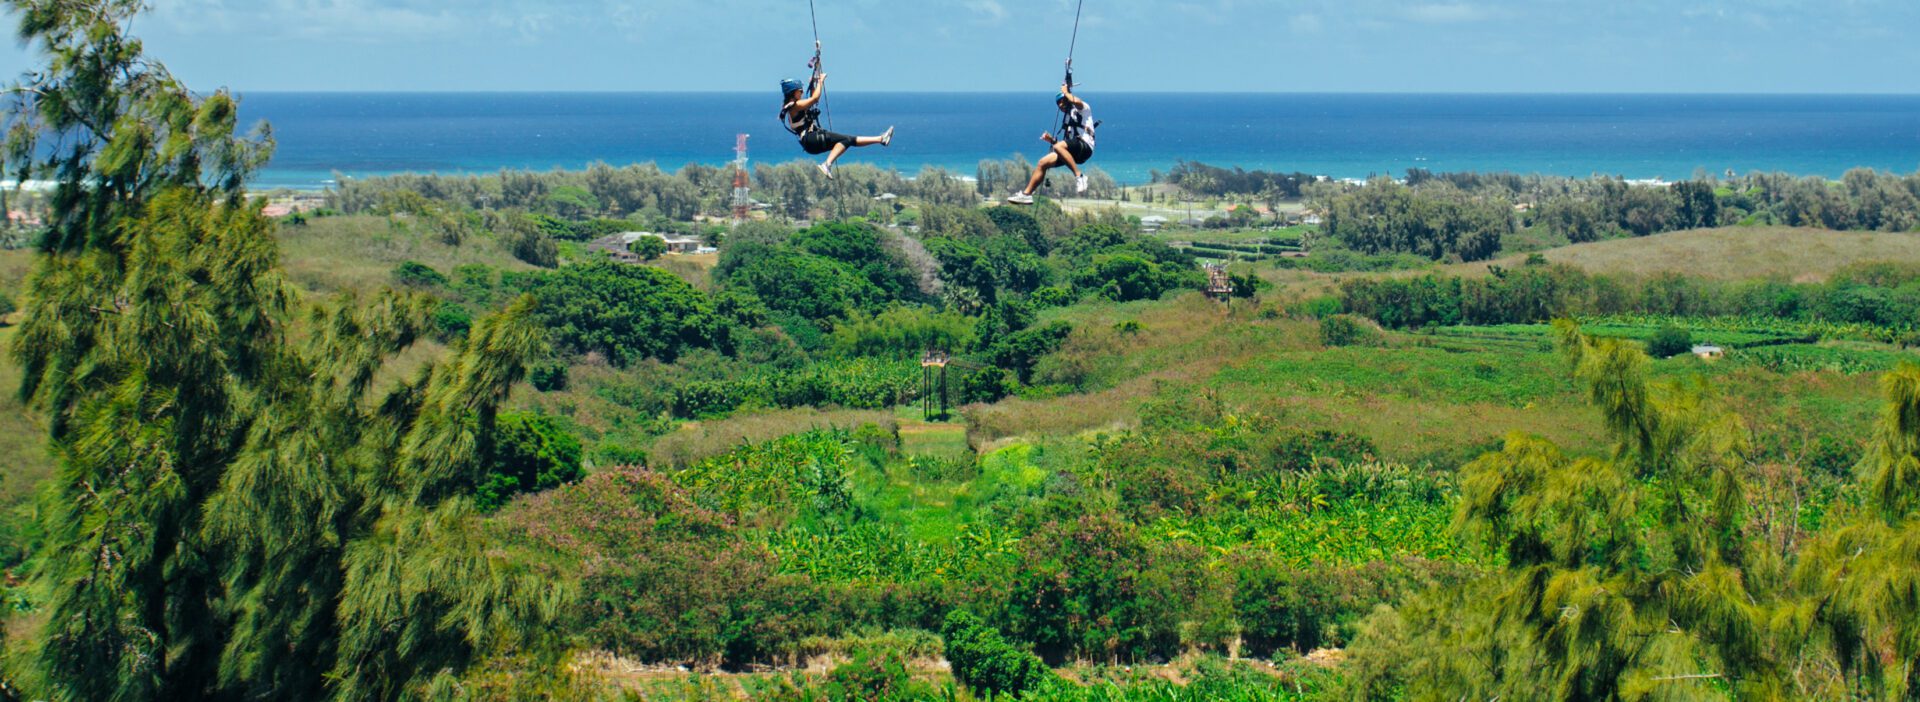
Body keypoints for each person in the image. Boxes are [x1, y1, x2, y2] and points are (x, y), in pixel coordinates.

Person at [780, 48, 892, 180]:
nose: (802, 92)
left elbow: (812, 96)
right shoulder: (795, 106)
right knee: (846, 140)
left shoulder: (795, 105)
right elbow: (814, 99)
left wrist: (815, 76)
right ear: (794, 92)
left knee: (848, 140)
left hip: (810, 141)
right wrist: (821, 81)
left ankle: (881, 139)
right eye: (799, 90)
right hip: (810, 139)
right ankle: (826, 164)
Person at [1007, 83, 1095, 205]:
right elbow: (1065, 148)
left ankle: (1079, 177)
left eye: (1062, 101)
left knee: (1058, 147)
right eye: (1058, 103)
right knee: (1042, 163)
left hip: (1085, 147)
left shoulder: (1083, 109)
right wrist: (1052, 141)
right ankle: (1026, 195)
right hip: (1075, 152)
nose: (1060, 105)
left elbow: (1077, 101)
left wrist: (1066, 92)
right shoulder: (1068, 120)